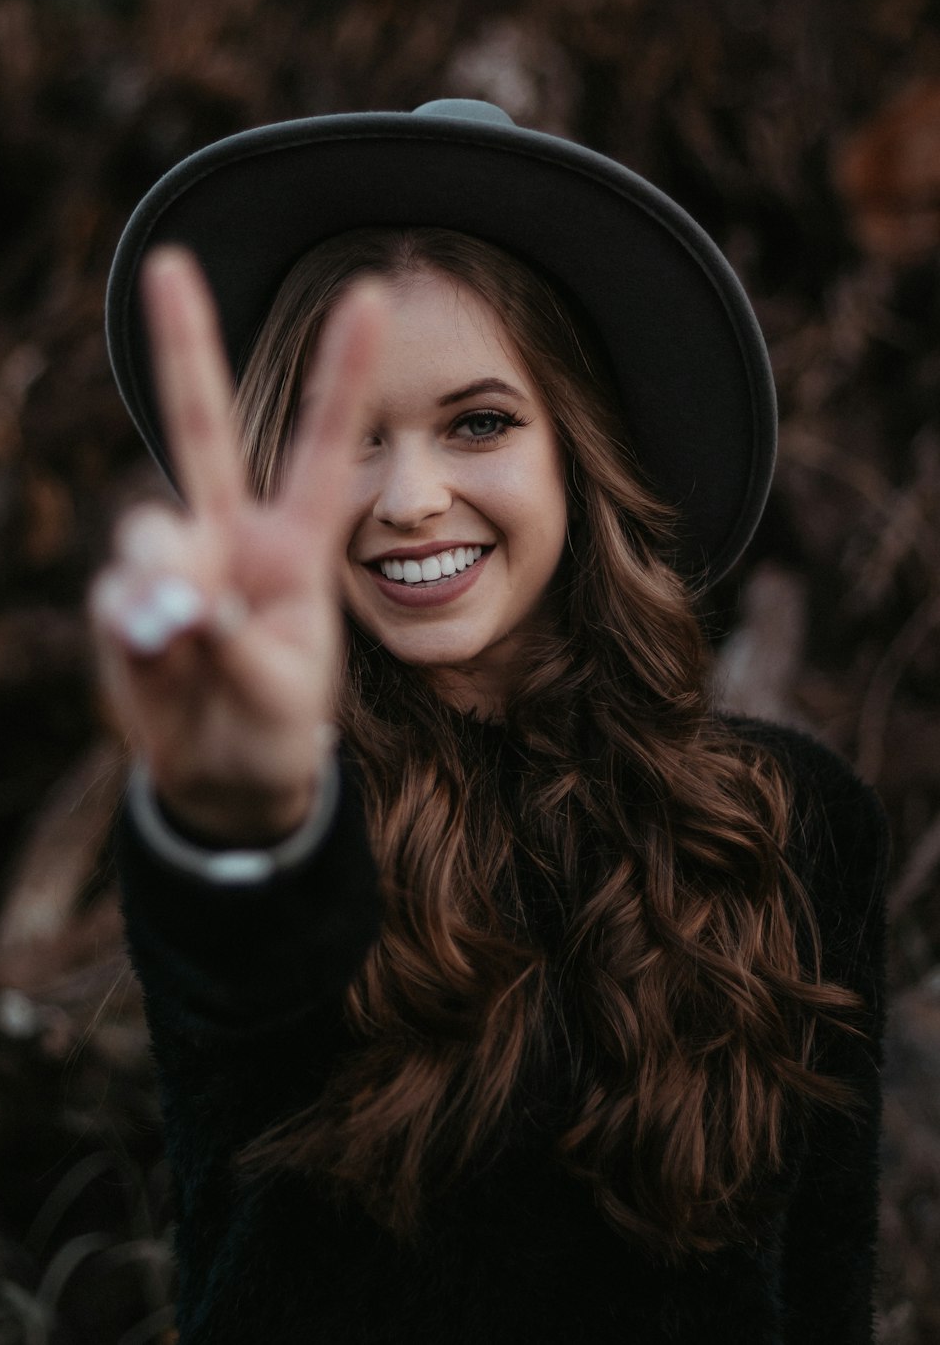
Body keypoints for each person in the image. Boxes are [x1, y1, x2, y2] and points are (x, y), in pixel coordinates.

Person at [94, 99, 888, 1344]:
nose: (411, 497)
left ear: (581, 445)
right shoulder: (293, 814)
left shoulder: (790, 824)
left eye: (478, 422)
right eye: (341, 439)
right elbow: (231, 946)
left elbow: (824, 1278)